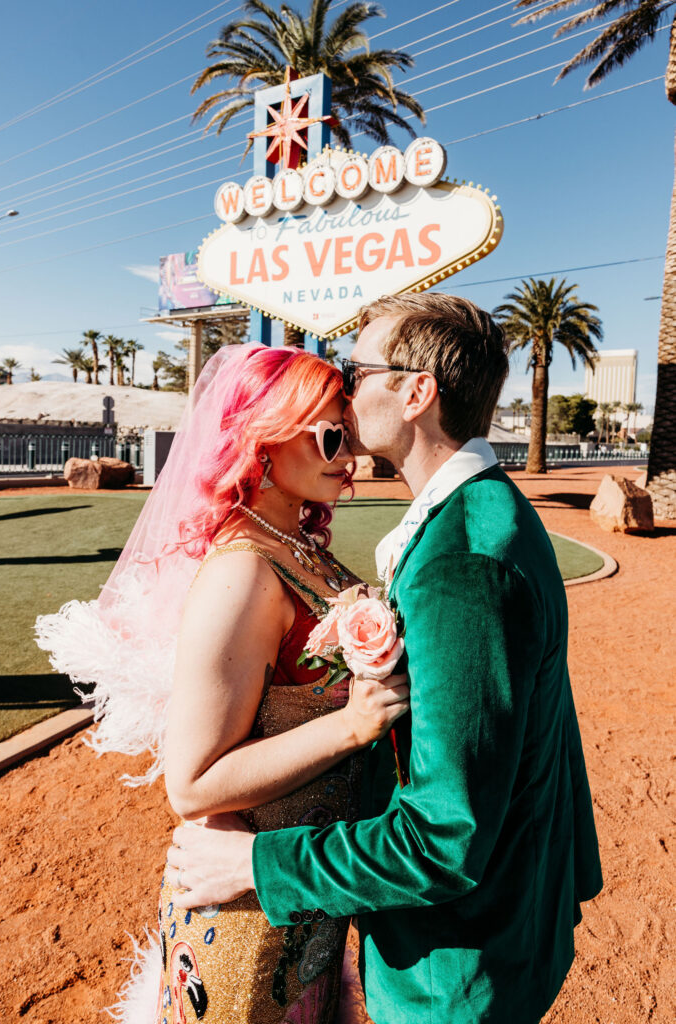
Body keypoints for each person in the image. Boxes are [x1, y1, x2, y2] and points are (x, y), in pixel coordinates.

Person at [167, 293, 603, 1024]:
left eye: (357, 368)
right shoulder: (478, 515)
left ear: (415, 392)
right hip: (479, 916)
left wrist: (254, 865)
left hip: (455, 956)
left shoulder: (461, 557)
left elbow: (444, 839)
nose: (344, 387)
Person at [35, 343, 409, 1024]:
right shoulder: (242, 571)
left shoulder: (294, 546)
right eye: (330, 435)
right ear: (261, 437)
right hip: (246, 915)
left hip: (300, 886)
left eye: (348, 436)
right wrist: (355, 724)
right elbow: (194, 782)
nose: (348, 457)